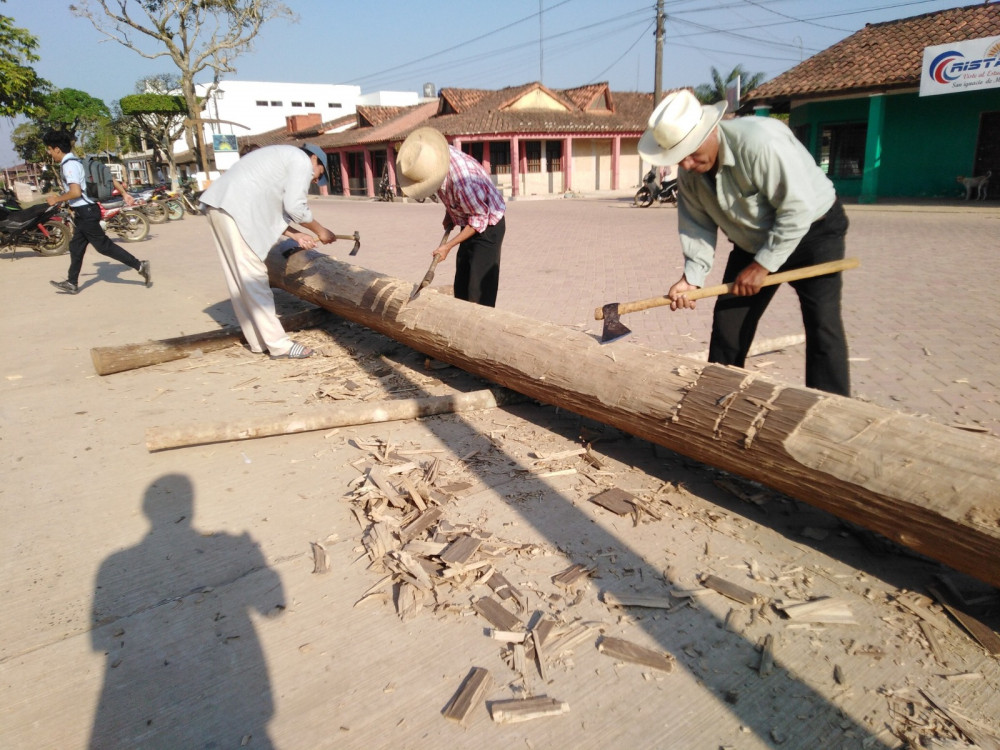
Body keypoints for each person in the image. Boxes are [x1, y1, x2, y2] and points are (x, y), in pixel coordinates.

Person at [638, 90, 851, 396]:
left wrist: (763, 265)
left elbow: (797, 209)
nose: (685, 164)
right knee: (728, 326)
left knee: (822, 326)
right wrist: (692, 279)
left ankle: (833, 413)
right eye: (677, 157)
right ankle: (715, 404)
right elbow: (697, 226)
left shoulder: (761, 143)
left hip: (814, 233)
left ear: (711, 130)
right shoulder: (690, 173)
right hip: (752, 243)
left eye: (691, 152)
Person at [199, 143, 335, 359]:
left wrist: (295, 234)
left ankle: (258, 341)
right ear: (315, 160)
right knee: (254, 277)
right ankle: (279, 346)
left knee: (240, 280)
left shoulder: (282, 157)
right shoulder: (301, 161)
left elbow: (268, 208)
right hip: (234, 209)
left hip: (221, 206)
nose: (315, 180)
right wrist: (322, 230)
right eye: (319, 175)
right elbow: (295, 208)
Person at [396, 127, 506, 307]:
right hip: (469, 220)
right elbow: (452, 195)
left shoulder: (464, 181)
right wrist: (450, 213)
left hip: (488, 226)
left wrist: (448, 246)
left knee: (479, 291)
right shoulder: (433, 157)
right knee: (461, 285)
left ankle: (478, 330)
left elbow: (479, 219)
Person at [43, 130, 151, 295]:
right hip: (85, 211)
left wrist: (56, 199)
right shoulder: (77, 161)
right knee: (76, 247)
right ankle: (72, 282)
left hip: (85, 212)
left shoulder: (69, 165)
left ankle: (140, 265)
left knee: (103, 247)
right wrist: (123, 193)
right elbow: (108, 177)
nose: (50, 154)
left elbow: (76, 192)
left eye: (50, 150)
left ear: (57, 149)